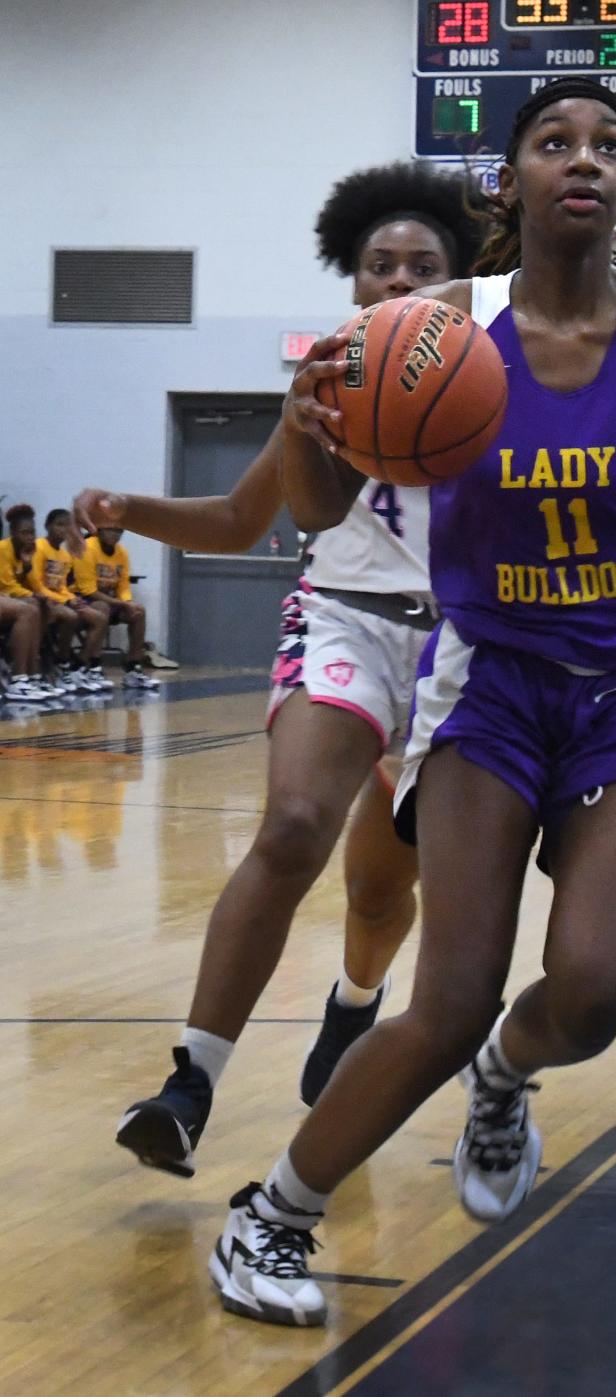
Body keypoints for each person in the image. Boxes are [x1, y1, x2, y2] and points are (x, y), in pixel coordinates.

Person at [207, 78, 616, 1328]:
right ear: (511, 180)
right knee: (447, 996)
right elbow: (323, 512)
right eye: (555, 141)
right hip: (489, 681)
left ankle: (511, 1072)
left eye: (610, 144)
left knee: (595, 992)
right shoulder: (435, 328)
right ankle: (270, 1215)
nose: (585, 159)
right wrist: (304, 428)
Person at [72, 162, 486, 1177]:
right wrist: (134, 507)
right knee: (295, 822)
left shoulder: (501, 373)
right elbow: (242, 519)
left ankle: (354, 1005)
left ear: (459, 282)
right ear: (351, 283)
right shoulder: (326, 383)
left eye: (421, 266)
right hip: (343, 615)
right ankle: (190, 1082)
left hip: (466, 643)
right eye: (378, 266)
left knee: (384, 887)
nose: (397, 281)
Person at [30, 508, 111, 693]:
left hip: (60, 599)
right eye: (59, 525)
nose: (63, 530)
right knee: (71, 616)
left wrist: (72, 599)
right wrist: (66, 601)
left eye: (68, 526)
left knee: (99, 618)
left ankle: (79, 666)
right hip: (42, 599)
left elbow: (61, 587)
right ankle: (61, 661)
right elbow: (37, 585)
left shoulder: (65, 554)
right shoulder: (39, 547)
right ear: (47, 526)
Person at [72, 526, 160, 690]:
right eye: (111, 530)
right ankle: (93, 666)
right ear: (99, 530)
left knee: (138, 611)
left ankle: (133, 667)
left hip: (111, 601)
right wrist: (122, 603)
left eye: (119, 531)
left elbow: (123, 586)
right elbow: (88, 590)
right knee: (102, 608)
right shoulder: (87, 548)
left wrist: (128, 602)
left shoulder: (122, 552)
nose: (115, 534)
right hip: (81, 600)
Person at [0, 507, 52, 703]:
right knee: (29, 609)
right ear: (13, 532)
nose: (30, 537)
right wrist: (33, 595)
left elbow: (32, 584)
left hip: (7, 597)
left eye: (32, 532)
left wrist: (28, 565)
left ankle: (32, 675)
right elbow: (8, 586)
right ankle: (18, 679)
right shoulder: (3, 549)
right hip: (5, 595)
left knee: (41, 606)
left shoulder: (25, 551)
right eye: (25, 532)